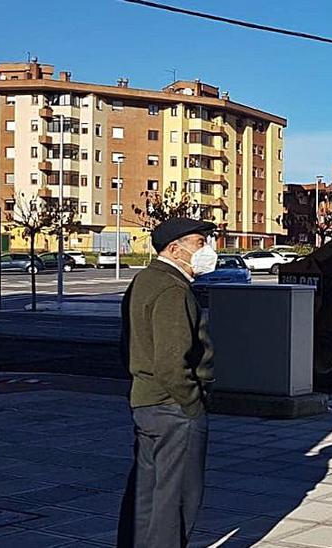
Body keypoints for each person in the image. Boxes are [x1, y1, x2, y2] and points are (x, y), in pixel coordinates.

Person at [116, 218, 218, 548]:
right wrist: (192, 403)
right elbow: (173, 362)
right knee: (175, 500)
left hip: (147, 403)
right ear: (175, 249)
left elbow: (126, 343)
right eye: (200, 243)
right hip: (173, 409)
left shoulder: (144, 280)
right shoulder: (173, 290)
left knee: (146, 494)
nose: (208, 250)